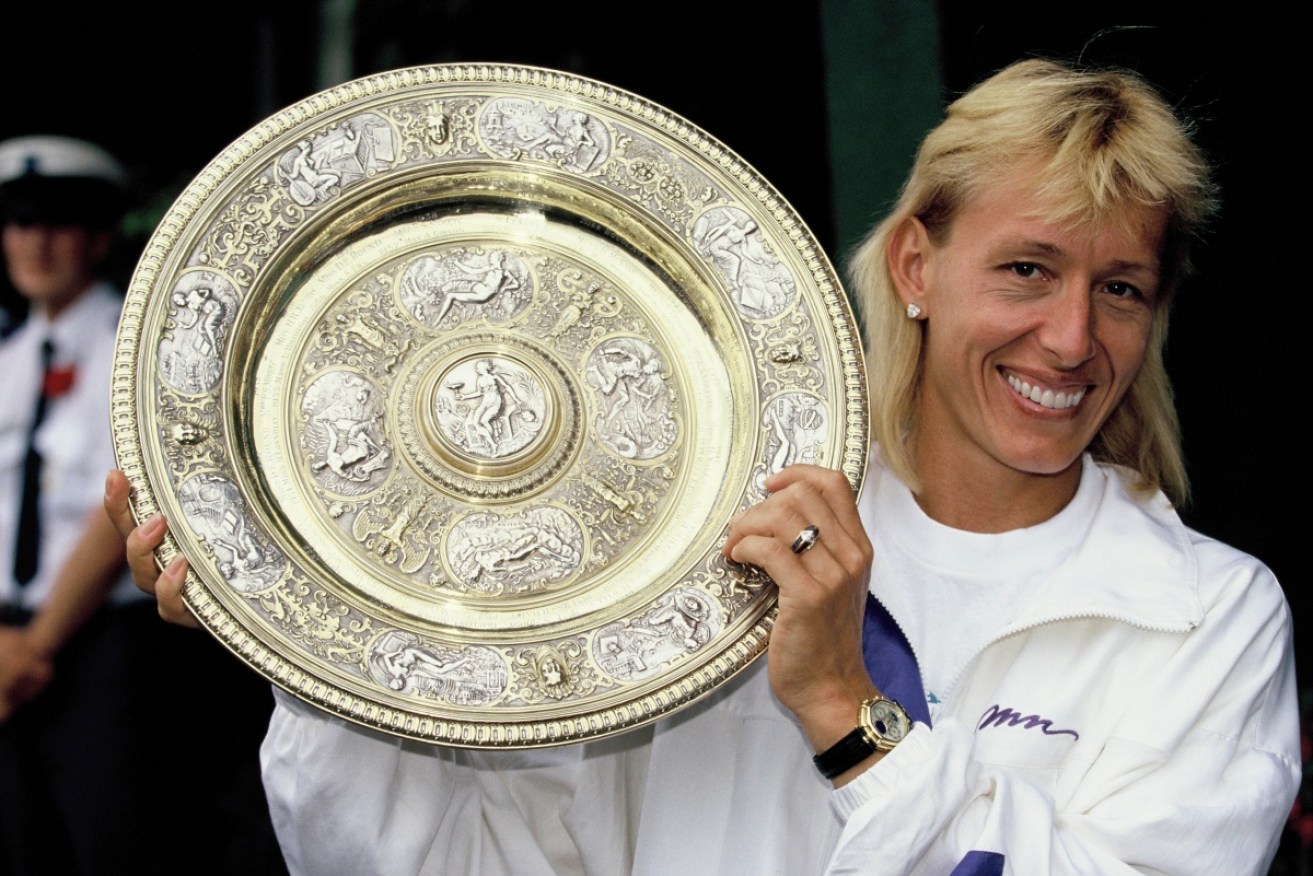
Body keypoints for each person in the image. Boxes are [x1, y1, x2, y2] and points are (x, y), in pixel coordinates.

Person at [107, 58, 1300, 874]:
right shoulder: (699, 539)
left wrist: (846, 713)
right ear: (915, 269)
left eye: (1120, 290)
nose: (1071, 339)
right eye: (1026, 271)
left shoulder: (1204, 614)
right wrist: (325, 646)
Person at [0, 137, 284, 876]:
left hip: (101, 643)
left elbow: (122, 499)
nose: (35, 242)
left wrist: (35, 646)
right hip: (6, 639)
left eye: (58, 223)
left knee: (114, 841)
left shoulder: (138, 340)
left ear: (97, 238)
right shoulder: (8, 351)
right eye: (19, 223)